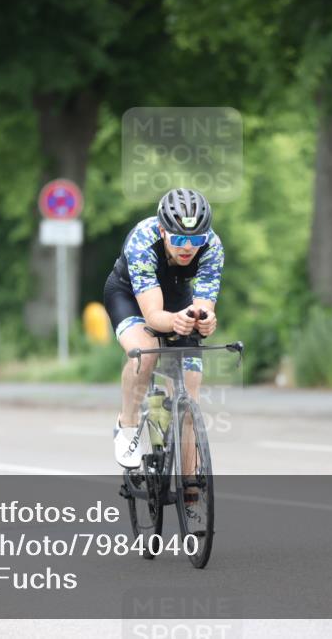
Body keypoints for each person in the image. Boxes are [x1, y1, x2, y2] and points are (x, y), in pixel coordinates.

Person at [103, 188, 223, 468]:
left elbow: (204, 305)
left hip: (178, 297)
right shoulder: (143, 240)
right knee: (145, 353)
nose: (188, 248)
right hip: (130, 297)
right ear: (162, 230)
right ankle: (127, 423)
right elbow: (154, 315)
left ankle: (190, 483)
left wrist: (205, 320)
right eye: (179, 239)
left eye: (196, 239)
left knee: (190, 390)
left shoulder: (213, 246)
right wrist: (175, 321)